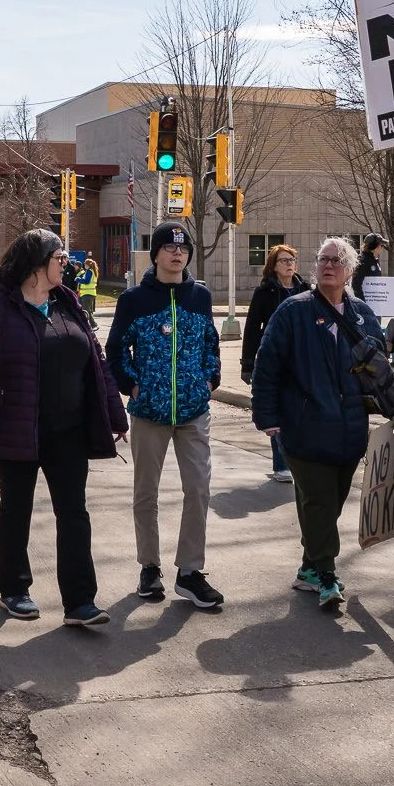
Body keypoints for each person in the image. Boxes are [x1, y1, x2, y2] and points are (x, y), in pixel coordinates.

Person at [0, 229, 126, 626]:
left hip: (68, 431)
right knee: (16, 509)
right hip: (16, 427)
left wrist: (115, 414)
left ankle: (80, 603)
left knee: (74, 513)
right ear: (36, 262)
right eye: (60, 257)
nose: (66, 264)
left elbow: (97, 364)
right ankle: (14, 590)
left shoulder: (67, 304)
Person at [249, 237, 383, 611]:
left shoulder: (361, 315)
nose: (328, 265)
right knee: (319, 503)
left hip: (350, 430)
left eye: (337, 260)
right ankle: (327, 574)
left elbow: (378, 370)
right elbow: (267, 365)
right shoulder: (294, 311)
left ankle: (308, 567)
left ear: (350, 270)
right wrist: (267, 416)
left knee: (329, 504)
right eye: (323, 259)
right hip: (304, 428)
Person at [105, 224, 224, 609]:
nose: (177, 253)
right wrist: (133, 386)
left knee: (199, 489)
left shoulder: (200, 297)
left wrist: (209, 381)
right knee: (146, 493)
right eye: (169, 248)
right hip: (149, 412)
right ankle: (149, 566)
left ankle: (190, 571)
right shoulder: (134, 300)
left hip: (193, 411)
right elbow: (117, 348)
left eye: (183, 247)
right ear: (155, 254)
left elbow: (211, 343)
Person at [240, 243, 304, 484]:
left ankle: (297, 461)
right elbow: (252, 329)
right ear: (274, 266)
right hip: (274, 360)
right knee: (277, 412)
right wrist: (248, 363)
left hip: (301, 361)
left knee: (298, 411)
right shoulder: (265, 292)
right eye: (284, 261)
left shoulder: (305, 290)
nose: (289, 264)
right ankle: (281, 464)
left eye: (292, 260)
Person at [73, 251, 100, 319]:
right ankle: (91, 324)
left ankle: (92, 324)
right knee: (88, 310)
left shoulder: (89, 271)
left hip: (87, 294)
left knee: (86, 310)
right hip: (90, 293)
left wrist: (78, 279)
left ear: (88, 265)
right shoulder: (93, 271)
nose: (84, 266)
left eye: (85, 264)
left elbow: (86, 281)